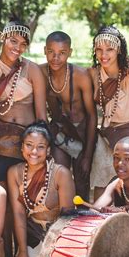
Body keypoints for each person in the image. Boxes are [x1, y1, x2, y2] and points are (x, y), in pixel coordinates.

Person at [0, 20, 47, 257]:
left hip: (28, 148)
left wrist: (42, 150)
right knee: (2, 204)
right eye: (13, 41)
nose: (17, 47)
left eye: (23, 44)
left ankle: (28, 255)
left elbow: (41, 114)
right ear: (1, 37)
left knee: (28, 202)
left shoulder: (32, 71)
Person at [7, 122, 75, 257]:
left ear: (49, 150)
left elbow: (68, 218)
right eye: (29, 145)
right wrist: (22, 252)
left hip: (58, 236)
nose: (34, 152)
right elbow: (19, 214)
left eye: (40, 147)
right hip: (32, 234)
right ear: (22, 147)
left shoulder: (61, 174)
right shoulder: (14, 173)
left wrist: (55, 250)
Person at [88, 25, 129, 201]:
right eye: (99, 49)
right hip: (105, 136)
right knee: (101, 184)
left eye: (109, 49)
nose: (103, 54)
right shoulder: (92, 74)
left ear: (119, 50)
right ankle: (100, 225)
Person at [40, 31, 97, 200]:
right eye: (51, 52)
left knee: (81, 184)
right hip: (59, 132)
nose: (55, 58)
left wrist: (88, 154)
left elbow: (93, 116)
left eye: (62, 53)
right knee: (59, 176)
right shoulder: (40, 72)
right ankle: (62, 220)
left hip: (82, 133)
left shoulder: (80, 76)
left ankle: (82, 222)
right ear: (45, 50)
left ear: (70, 53)